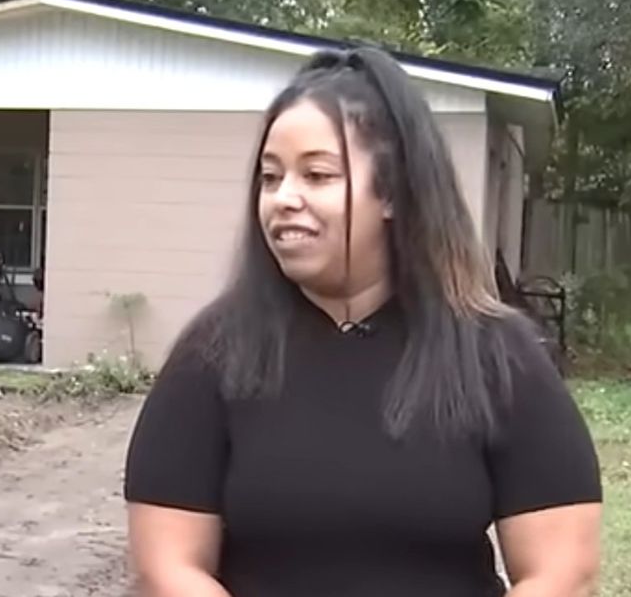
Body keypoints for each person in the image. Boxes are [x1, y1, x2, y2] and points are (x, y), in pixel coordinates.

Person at [122, 47, 603, 597]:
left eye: (317, 175)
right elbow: (168, 566)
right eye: (271, 177)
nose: (284, 198)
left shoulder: (497, 354)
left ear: (394, 192)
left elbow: (563, 571)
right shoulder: (211, 355)